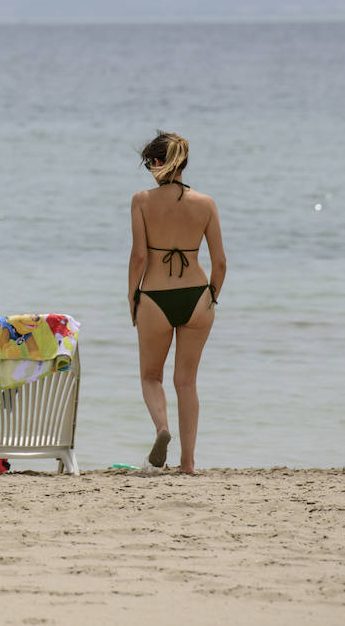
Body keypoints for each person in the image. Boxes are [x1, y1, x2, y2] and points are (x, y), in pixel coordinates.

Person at [128, 131, 226, 474]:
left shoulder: (142, 200)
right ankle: (188, 464)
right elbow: (221, 262)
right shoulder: (206, 203)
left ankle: (161, 429)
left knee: (151, 377)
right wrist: (212, 297)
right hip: (197, 296)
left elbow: (140, 257)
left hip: (155, 297)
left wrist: (133, 296)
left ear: (156, 162)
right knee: (186, 382)